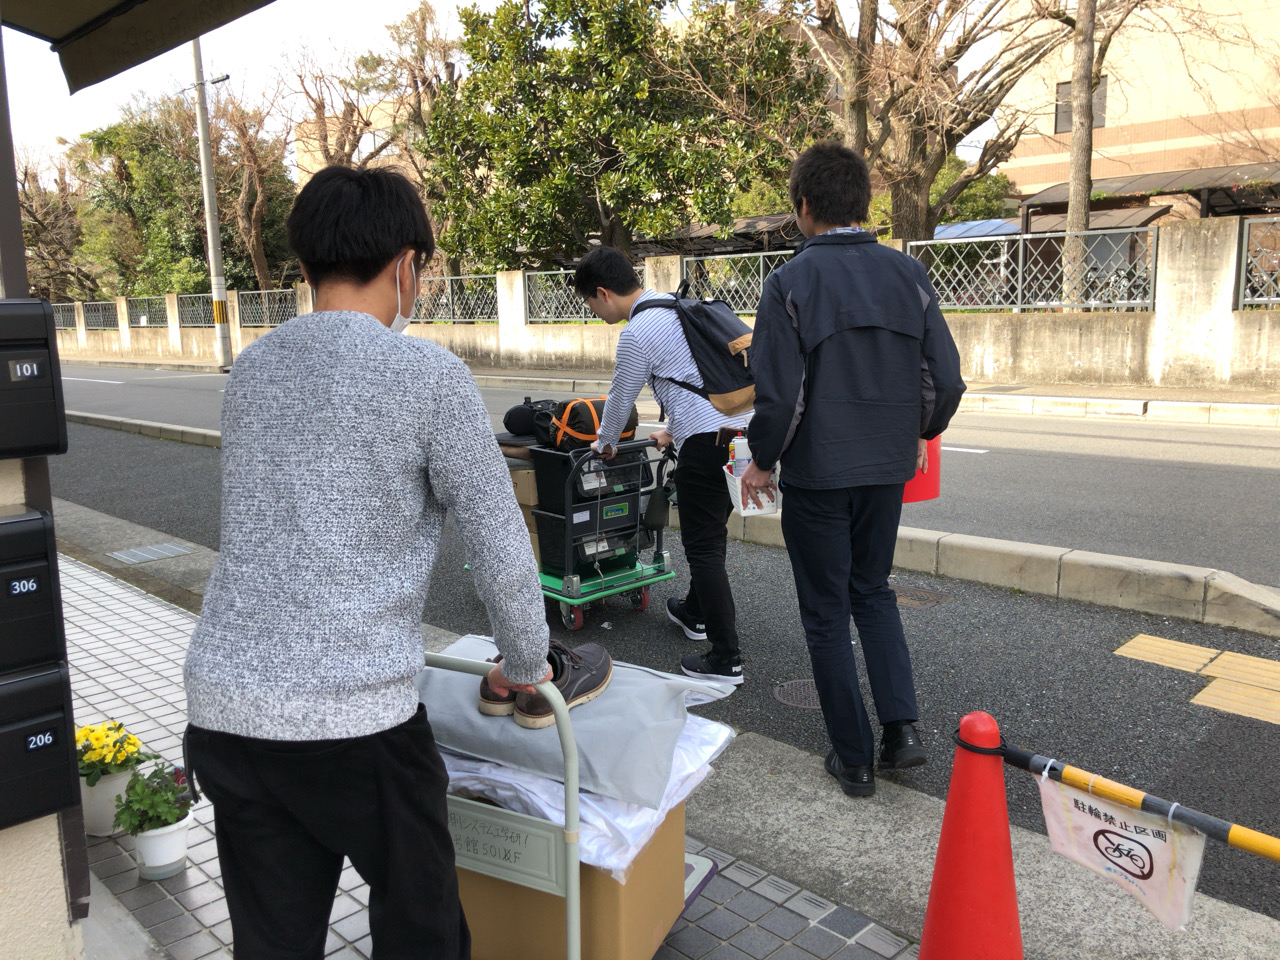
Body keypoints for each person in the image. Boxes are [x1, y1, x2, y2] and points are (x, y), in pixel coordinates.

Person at [183, 165, 552, 959]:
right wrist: (526, 664)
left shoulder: (251, 369)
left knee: (272, 943)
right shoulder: (428, 375)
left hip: (227, 710)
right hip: (358, 722)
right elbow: (499, 540)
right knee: (423, 933)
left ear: (307, 262)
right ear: (406, 265)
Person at [741, 140, 966, 798]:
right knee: (873, 591)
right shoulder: (909, 275)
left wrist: (761, 461)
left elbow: (782, 395)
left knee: (825, 613)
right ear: (863, 203)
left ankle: (854, 758)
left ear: (804, 205)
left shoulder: (789, 282)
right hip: (886, 469)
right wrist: (922, 431)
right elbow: (946, 379)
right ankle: (902, 731)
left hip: (818, 473)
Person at [574, 245, 749, 685]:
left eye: (591, 304)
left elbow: (619, 400)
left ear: (603, 293)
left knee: (703, 547)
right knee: (713, 533)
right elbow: (696, 375)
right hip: (745, 436)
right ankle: (695, 612)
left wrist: (605, 444)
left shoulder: (638, 332)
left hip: (707, 443)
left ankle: (726, 659)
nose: (594, 312)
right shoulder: (677, 305)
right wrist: (672, 429)